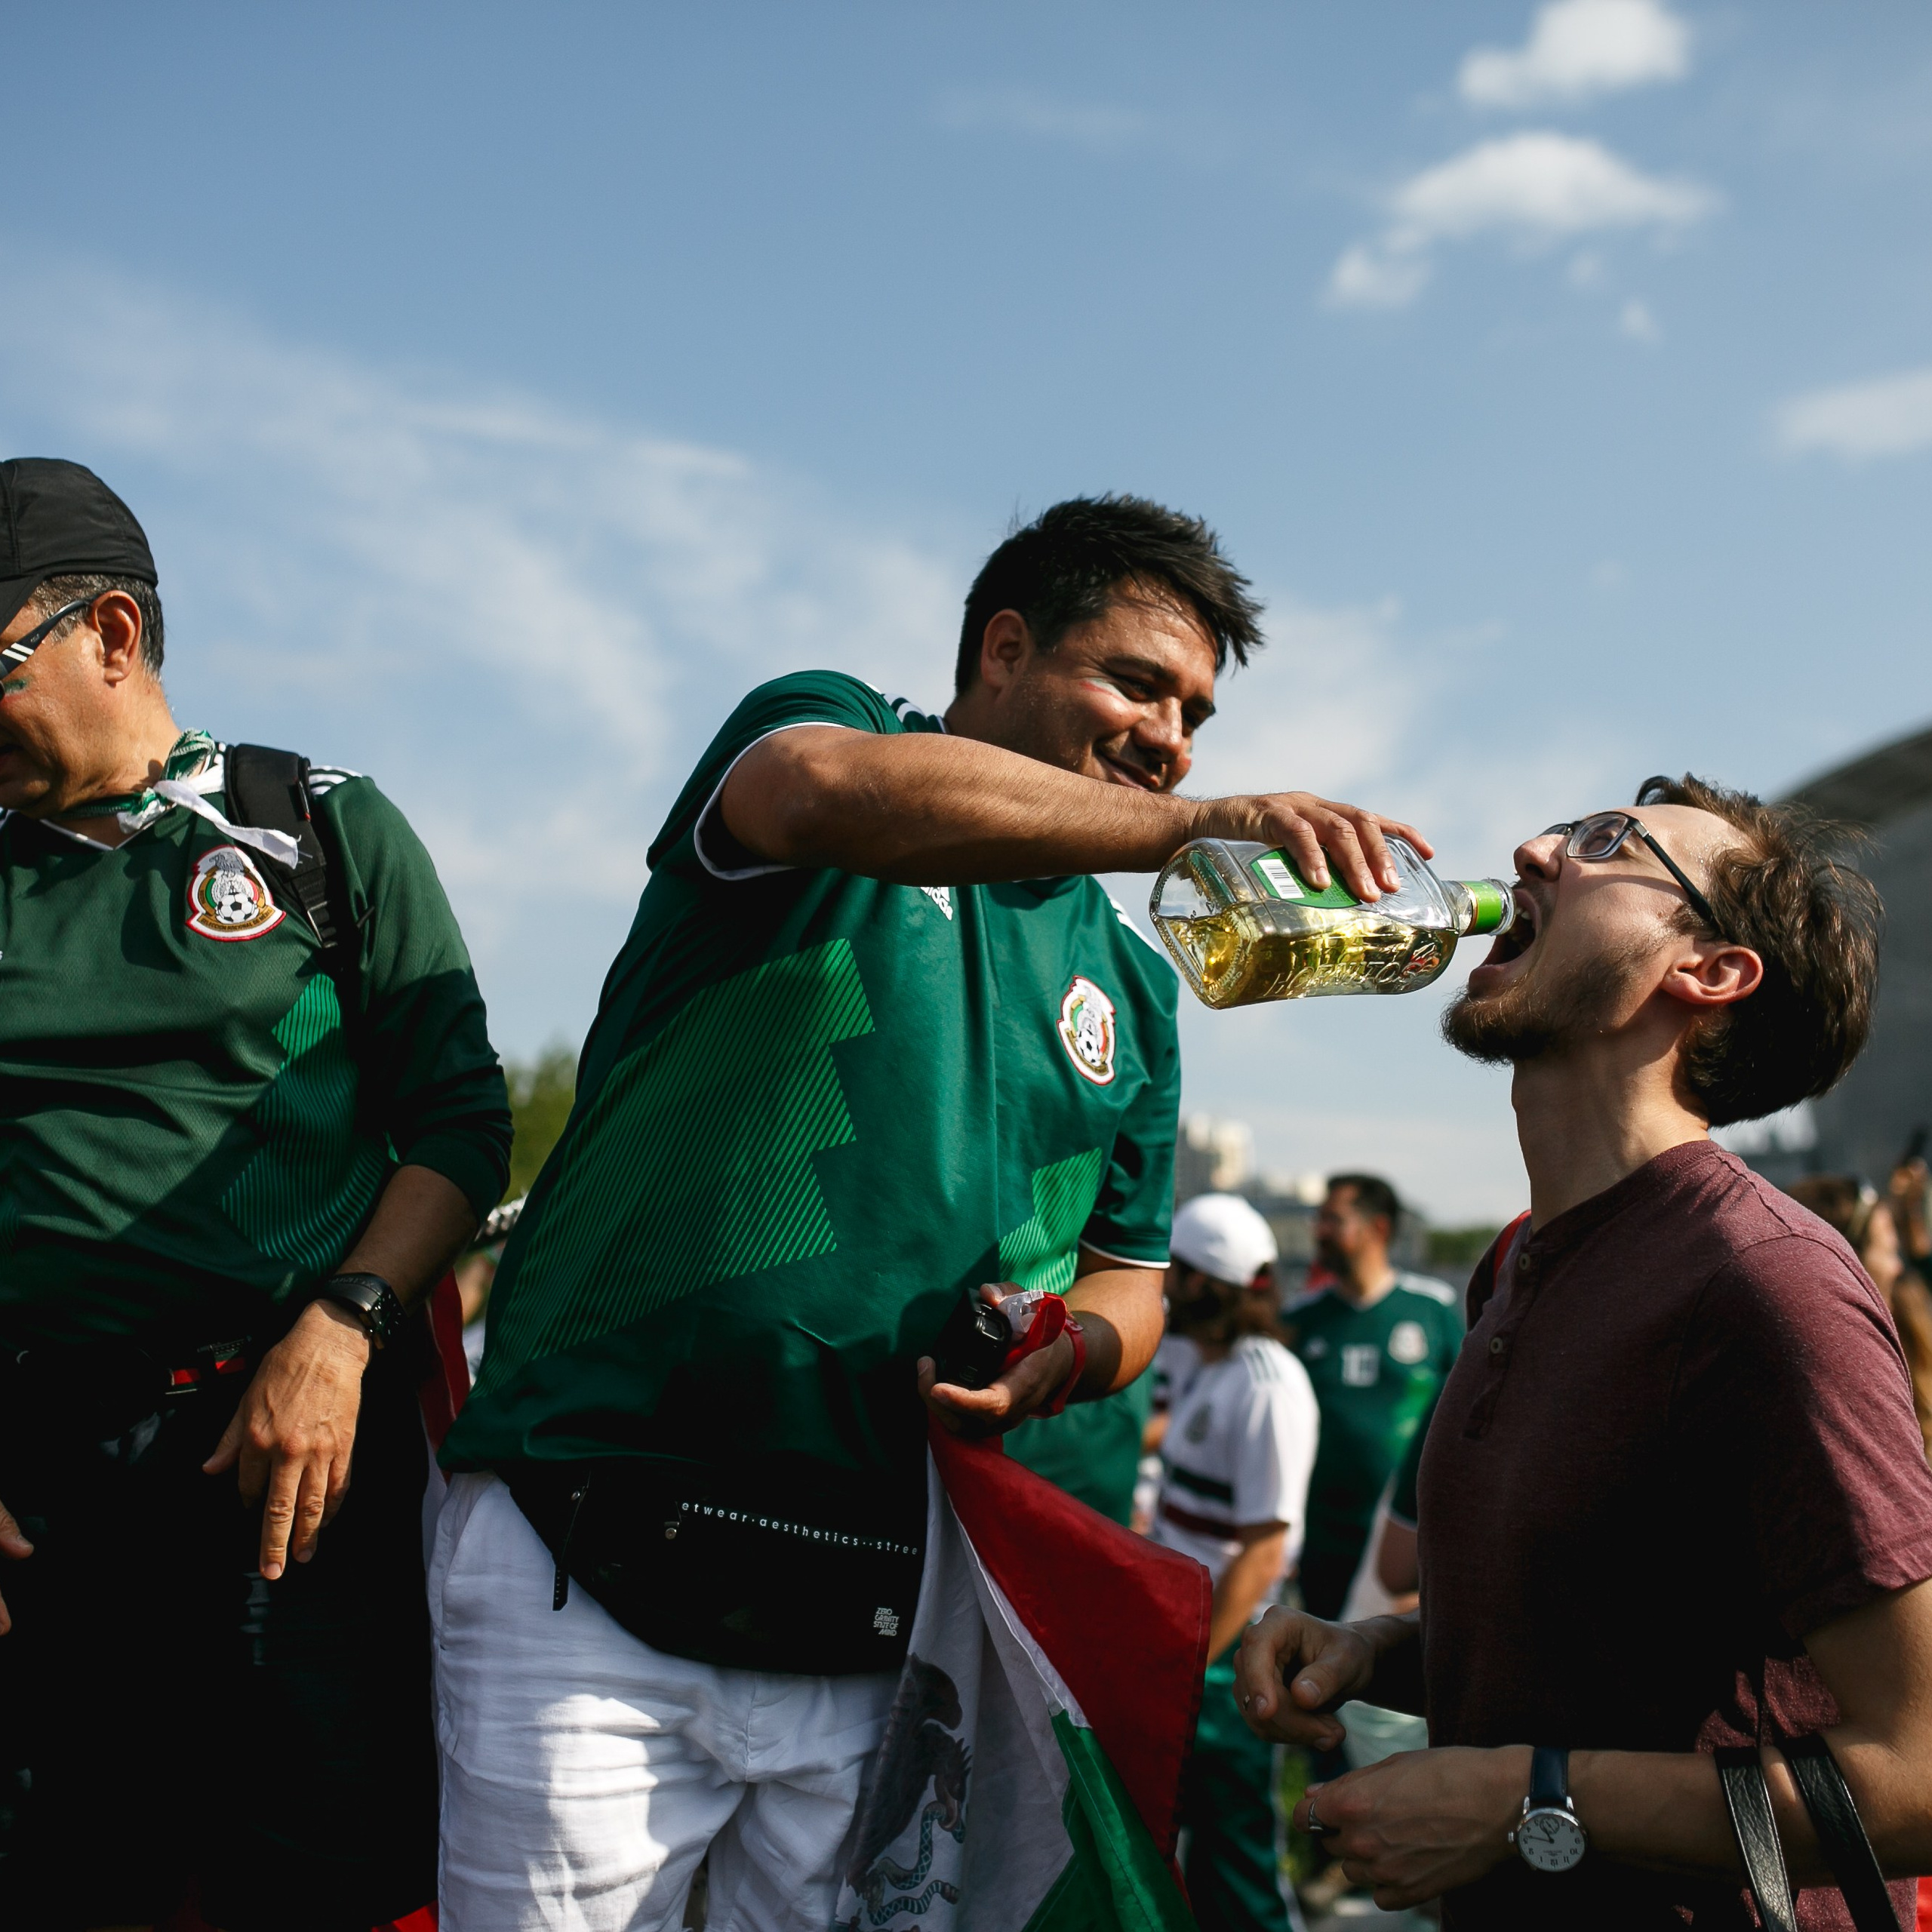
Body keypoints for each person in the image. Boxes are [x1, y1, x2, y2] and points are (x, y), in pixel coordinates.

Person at [433, 494, 1427, 1931]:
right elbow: (832, 790)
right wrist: (1193, 825)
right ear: (1003, 649)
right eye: (1137, 682)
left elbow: (1131, 1282)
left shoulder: (1139, 987)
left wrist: (1064, 1355)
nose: (1171, 737)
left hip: (878, 1622)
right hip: (588, 1558)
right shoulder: (823, 730)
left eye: (1197, 715)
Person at [1236, 774, 1932, 1926]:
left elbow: (1915, 1775)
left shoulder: (1764, 1283)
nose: (1533, 848)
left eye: (1610, 844)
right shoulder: (1513, 1269)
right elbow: (1619, 1641)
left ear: (1707, 972)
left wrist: (1523, 1798)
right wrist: (1376, 1653)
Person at [0, 458, 512, 1929]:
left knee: (315, 1866)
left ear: (110, 630)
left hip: (291, 1451)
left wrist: (343, 1324)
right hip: (41, 1475)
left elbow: (458, 1125)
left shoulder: (317, 825)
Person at [1151, 1192, 1318, 1932]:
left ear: (1204, 1283)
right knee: (1187, 1862)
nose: (1162, 1285)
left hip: (1224, 1660)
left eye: (1176, 1271)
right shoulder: (1211, 1369)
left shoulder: (1264, 1382)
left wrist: (1192, 1665)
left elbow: (1263, 1549)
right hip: (1190, 1649)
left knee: (1238, 1867)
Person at [1287, 1174, 1460, 1619]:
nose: (1319, 1230)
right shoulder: (1300, 1318)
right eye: (1319, 1218)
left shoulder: (1432, 1309)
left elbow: (1466, 1414)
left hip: (1404, 1539)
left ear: (1378, 1228)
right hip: (1321, 1537)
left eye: (1334, 1219)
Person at [1789, 1173, 1932, 1458]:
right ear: (1851, 1261)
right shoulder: (1847, 1379)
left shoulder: (1905, 1326)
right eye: (1889, 1252)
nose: (1897, 1269)